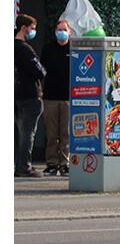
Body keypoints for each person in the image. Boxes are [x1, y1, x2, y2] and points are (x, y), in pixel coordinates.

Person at [14, 14, 46, 178]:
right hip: (29, 95)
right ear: (24, 28)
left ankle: (18, 165)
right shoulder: (25, 49)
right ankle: (24, 167)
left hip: (16, 95)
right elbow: (39, 70)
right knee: (28, 133)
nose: (33, 32)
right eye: (32, 28)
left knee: (19, 132)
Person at [40, 19, 72, 176]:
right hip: (50, 96)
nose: (62, 32)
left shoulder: (73, 49)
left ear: (70, 32)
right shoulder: (48, 49)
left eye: (64, 29)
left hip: (68, 97)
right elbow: (42, 69)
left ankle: (65, 163)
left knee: (66, 133)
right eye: (59, 29)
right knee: (52, 133)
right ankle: (52, 163)